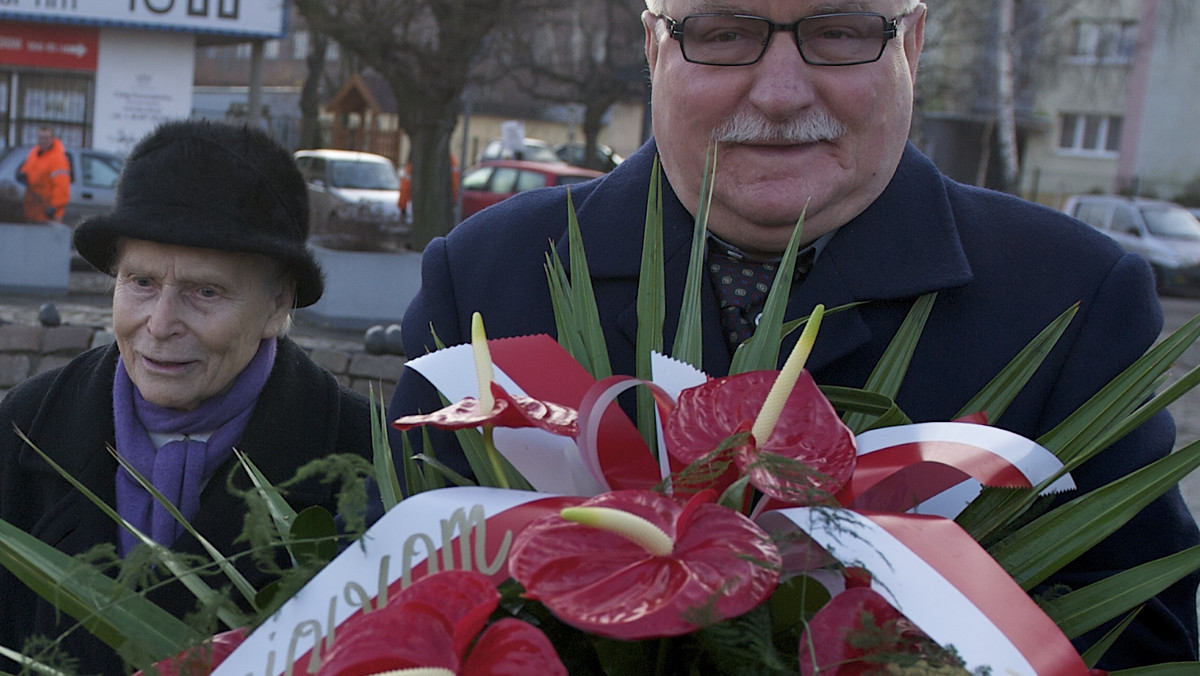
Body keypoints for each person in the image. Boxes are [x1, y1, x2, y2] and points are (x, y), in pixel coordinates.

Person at [388, 0, 1200, 669]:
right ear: (653, 44)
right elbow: (393, 591)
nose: (779, 93)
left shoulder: (1069, 301)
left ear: (909, 43)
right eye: (723, 33)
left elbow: (1139, 639)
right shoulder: (490, 278)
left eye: (840, 31)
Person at [0, 120, 372, 675]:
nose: (161, 323)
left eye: (205, 291)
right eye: (141, 282)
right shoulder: (25, 429)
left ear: (277, 304)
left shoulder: (362, 460)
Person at [17, 126, 71, 223]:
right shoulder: (34, 152)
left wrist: (54, 207)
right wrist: (23, 173)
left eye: (46, 138)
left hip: (49, 211)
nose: (43, 141)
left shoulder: (58, 159)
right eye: (40, 138)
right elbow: (27, 166)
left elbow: (62, 187)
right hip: (33, 208)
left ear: (52, 138)